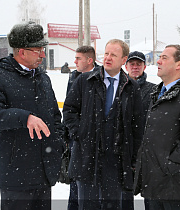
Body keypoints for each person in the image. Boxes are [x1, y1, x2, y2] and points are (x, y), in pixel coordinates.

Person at [0, 21, 63, 210]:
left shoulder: (43, 78)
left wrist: (58, 144)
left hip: (44, 174)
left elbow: (55, 116)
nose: (42, 54)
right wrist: (24, 118)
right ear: (22, 52)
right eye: (38, 50)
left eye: (43, 49)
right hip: (16, 177)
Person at [63, 39, 144, 210]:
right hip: (87, 157)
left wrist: (134, 158)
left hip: (116, 161)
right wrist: (80, 134)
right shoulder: (85, 81)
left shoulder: (132, 87)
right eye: (106, 53)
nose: (108, 57)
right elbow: (69, 110)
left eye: (113, 54)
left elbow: (137, 126)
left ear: (123, 60)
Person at [134, 44, 180, 210]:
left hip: (174, 187)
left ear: (179, 64)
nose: (158, 61)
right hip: (153, 182)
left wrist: (168, 166)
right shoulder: (158, 93)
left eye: (164, 58)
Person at [64, 45, 99, 210]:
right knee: (74, 185)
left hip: (95, 142)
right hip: (75, 139)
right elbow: (69, 109)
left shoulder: (101, 77)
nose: (75, 61)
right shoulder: (73, 77)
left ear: (89, 60)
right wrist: (71, 134)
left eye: (78, 58)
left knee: (91, 187)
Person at [124, 51, 155, 209]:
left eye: (139, 64)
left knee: (149, 194)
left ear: (144, 66)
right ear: (126, 65)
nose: (135, 67)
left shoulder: (154, 90)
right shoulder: (119, 88)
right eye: (132, 64)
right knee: (124, 194)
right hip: (123, 149)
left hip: (146, 150)